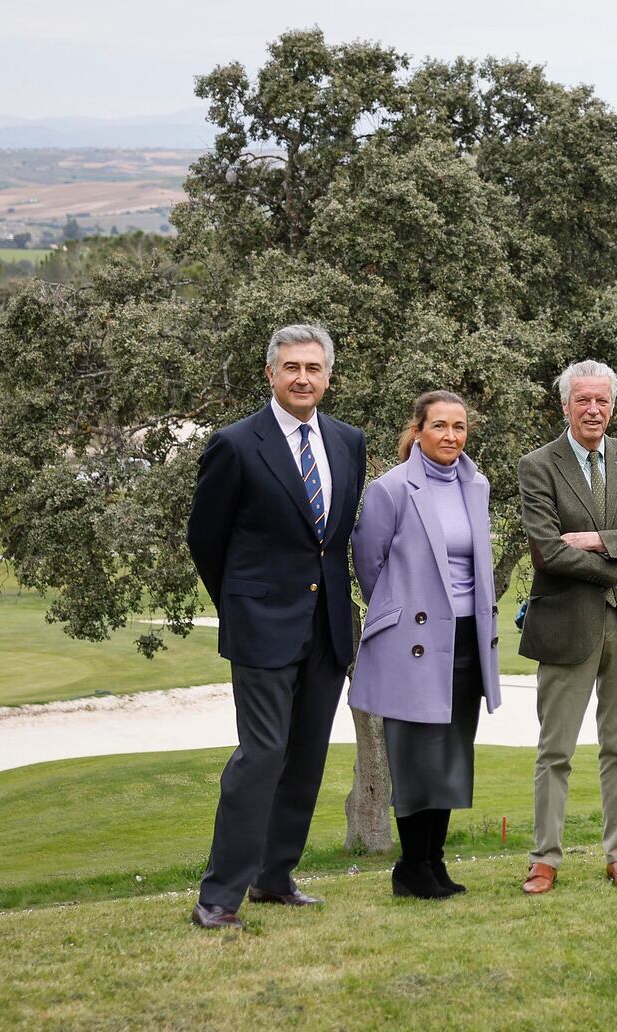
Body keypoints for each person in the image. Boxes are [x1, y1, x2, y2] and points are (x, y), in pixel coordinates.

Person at [184, 324, 366, 930]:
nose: (302, 378)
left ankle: (274, 877)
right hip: (262, 627)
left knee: (307, 756)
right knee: (261, 756)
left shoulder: (348, 442)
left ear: (328, 376)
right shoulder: (235, 445)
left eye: (313, 368)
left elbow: (332, 538)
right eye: (291, 367)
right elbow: (205, 540)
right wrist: (242, 605)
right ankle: (217, 897)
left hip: (328, 626)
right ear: (270, 374)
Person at [516, 360, 617, 894]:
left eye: (601, 401)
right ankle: (544, 859)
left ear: (612, 405)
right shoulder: (537, 465)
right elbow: (546, 551)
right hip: (566, 624)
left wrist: (594, 540)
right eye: (582, 400)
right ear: (565, 405)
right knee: (555, 751)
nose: (593, 409)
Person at [351, 390, 502, 899]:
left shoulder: (476, 485)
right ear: (417, 431)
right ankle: (410, 867)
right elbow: (369, 567)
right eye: (439, 426)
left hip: (465, 640)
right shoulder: (390, 489)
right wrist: (404, 609)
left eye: (459, 427)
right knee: (416, 757)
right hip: (412, 641)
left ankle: (434, 862)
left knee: (451, 756)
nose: (450, 436)